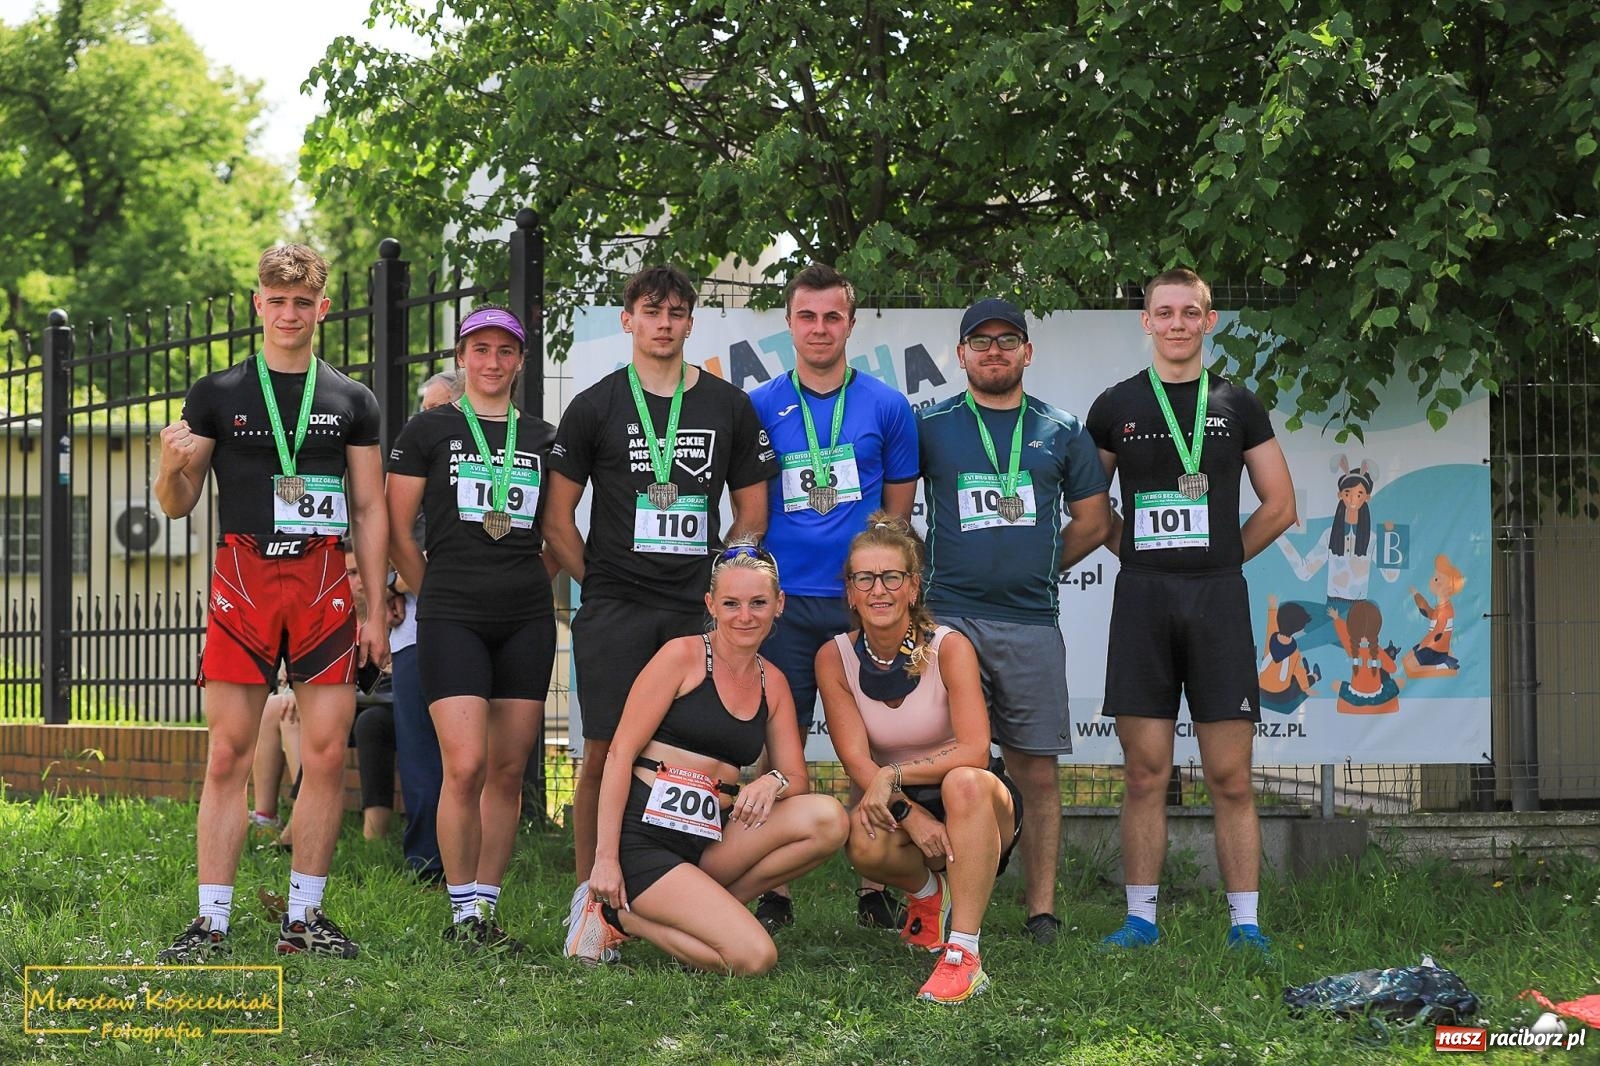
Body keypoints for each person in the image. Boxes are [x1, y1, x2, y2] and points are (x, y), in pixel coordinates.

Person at [154, 243, 386, 960]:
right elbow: (177, 503)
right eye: (277, 300)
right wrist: (167, 468)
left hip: (323, 584)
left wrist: (376, 610)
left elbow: (369, 507)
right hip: (244, 582)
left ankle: (304, 919)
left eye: (302, 302)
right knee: (227, 752)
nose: (289, 313)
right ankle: (211, 923)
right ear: (259, 304)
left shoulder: (352, 399)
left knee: (326, 753)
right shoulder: (216, 392)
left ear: (323, 308)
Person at [544, 265, 777, 961]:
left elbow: (753, 512)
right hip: (616, 608)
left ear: (690, 322)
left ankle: (677, 884)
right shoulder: (595, 404)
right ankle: (592, 899)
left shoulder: (729, 406)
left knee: (695, 760)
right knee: (604, 751)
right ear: (629, 320)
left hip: (694, 610)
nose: (664, 323)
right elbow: (557, 518)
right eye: (651, 311)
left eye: (676, 312)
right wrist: (601, 583)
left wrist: (722, 587)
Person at [1086, 267, 1296, 956]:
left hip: (1217, 598)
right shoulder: (1115, 404)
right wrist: (1137, 550)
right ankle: (1139, 920)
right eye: (1165, 312)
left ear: (1209, 321)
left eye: (1189, 312)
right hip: (1143, 598)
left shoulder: (1239, 404)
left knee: (1230, 776)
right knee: (1144, 772)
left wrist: (1222, 556)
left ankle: (1246, 925)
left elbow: (1280, 505)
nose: (1177, 323)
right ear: (1146, 321)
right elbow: (1092, 510)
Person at [917, 297, 1112, 946]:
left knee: (1036, 771)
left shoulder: (1062, 428)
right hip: (948, 620)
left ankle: (1041, 912)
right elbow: (894, 508)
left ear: (1028, 351)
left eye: (1007, 340)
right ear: (961, 354)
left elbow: (1093, 521)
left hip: (1030, 620)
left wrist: (1042, 564)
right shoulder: (931, 424)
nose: (994, 351)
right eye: (981, 341)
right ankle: (941, 902)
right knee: (949, 768)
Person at [746, 263, 919, 932]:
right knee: (777, 742)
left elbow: (897, 519)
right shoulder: (759, 405)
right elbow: (749, 503)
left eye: (832, 317)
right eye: (807, 317)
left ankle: (876, 884)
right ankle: (776, 888)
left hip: (860, 606)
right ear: (790, 324)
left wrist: (879, 589)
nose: (820, 328)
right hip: (787, 603)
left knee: (875, 742)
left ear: (851, 323)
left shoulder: (887, 406)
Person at [578, 543, 848, 972]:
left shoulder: (774, 682)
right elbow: (619, 755)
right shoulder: (681, 656)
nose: (745, 616)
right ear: (711, 604)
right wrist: (605, 858)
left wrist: (771, 781)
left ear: (779, 604)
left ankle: (710, 913)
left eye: (758, 603)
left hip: (712, 837)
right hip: (646, 839)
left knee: (829, 818)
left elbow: (796, 777)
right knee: (754, 957)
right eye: (731, 603)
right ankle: (616, 917)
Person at [387, 305, 558, 951]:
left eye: (504, 351)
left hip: (526, 619)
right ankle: (461, 913)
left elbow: (559, 529)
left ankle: (486, 906)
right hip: (451, 616)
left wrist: (531, 579)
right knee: (465, 765)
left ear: (520, 361)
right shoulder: (428, 429)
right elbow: (397, 530)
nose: (492, 361)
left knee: (508, 772)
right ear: (462, 358)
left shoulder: (542, 437)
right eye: (480, 349)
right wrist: (433, 590)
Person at [817, 514, 1021, 1003]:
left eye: (892, 577)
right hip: (903, 801)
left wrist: (894, 773)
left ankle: (964, 954)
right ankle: (931, 897)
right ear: (850, 592)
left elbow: (974, 749)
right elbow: (856, 760)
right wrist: (908, 811)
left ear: (912, 587)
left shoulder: (950, 647)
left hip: (977, 800)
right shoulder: (833, 657)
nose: (878, 590)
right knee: (861, 840)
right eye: (864, 578)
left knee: (963, 781)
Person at [386, 368, 459, 883]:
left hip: (470, 627)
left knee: (465, 756)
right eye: (423, 409)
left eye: (437, 409)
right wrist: (387, 586)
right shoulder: (410, 465)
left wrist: (399, 582)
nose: (424, 420)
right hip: (412, 633)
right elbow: (386, 534)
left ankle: (467, 861)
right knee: (418, 751)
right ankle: (425, 861)